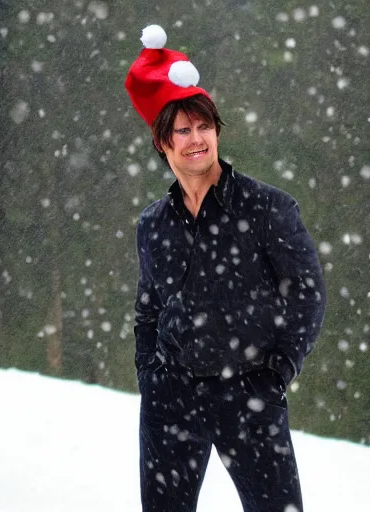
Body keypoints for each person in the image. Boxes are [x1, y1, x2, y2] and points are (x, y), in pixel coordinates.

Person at [125, 25, 327, 512]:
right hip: (171, 398)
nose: (197, 140)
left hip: (250, 393)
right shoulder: (154, 222)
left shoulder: (266, 207)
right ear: (162, 143)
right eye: (183, 130)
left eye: (205, 127)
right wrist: (150, 373)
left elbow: (306, 293)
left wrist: (277, 372)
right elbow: (149, 305)